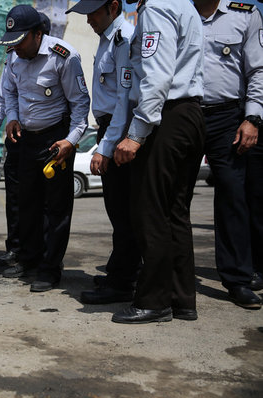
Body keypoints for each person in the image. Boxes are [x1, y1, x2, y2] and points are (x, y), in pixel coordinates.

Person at [111, 0, 206, 323]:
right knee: (175, 211)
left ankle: (153, 300)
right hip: (190, 114)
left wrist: (136, 134)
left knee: (149, 210)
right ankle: (182, 299)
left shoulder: (156, 8)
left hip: (166, 117)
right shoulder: (185, 6)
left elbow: (157, 76)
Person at [0, 5, 90, 292]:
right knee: (27, 203)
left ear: (38, 34)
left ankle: (50, 269)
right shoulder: (15, 56)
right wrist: (12, 117)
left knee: (56, 208)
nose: (15, 48)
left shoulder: (64, 56)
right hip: (26, 139)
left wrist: (71, 141)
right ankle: (29, 259)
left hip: (56, 140)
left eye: (20, 41)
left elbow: (80, 105)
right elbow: (10, 93)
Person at [66, 0, 140, 304]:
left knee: (124, 213)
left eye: (92, 13)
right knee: (118, 211)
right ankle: (119, 272)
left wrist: (105, 148)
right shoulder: (109, 39)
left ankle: (122, 283)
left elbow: (124, 100)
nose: (88, 21)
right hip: (111, 126)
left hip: (119, 129)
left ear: (112, 7)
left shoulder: (125, 39)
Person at [193, 0, 263, 309]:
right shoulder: (177, 12)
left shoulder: (244, 15)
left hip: (228, 117)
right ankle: (167, 274)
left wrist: (252, 118)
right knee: (174, 195)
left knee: (233, 194)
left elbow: (258, 69)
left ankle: (237, 279)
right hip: (185, 113)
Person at [0, 12, 52, 268]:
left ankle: (43, 252)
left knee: (43, 200)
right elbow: (4, 96)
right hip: (17, 136)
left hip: (45, 138)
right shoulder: (13, 58)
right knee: (16, 196)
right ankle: (17, 247)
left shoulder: (56, 59)